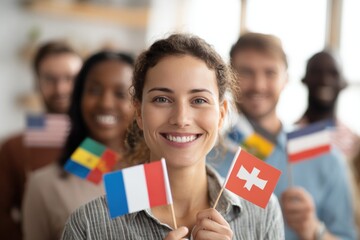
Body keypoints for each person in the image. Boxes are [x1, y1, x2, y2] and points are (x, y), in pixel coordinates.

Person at [61, 33, 284, 240]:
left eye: (199, 100)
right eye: (162, 99)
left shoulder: (263, 211)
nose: (181, 118)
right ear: (139, 112)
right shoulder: (88, 224)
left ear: (222, 114)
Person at [208, 32, 358, 239]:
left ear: (286, 79)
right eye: (246, 72)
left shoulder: (323, 153)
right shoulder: (208, 154)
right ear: (229, 78)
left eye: (270, 73)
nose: (258, 85)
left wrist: (315, 230)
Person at [22, 51, 136, 240]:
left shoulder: (160, 174)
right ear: (78, 98)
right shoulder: (44, 185)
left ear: (139, 104)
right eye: (94, 90)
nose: (106, 103)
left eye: (120, 93)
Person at [0, 41, 82, 240]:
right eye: (50, 79)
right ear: (37, 83)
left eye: (70, 78)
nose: (61, 88)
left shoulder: (101, 144)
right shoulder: (14, 147)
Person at [297, 50, 360, 161]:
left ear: (343, 83)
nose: (324, 80)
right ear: (304, 80)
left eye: (333, 73)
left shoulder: (355, 145)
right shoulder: (286, 138)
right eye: (316, 72)